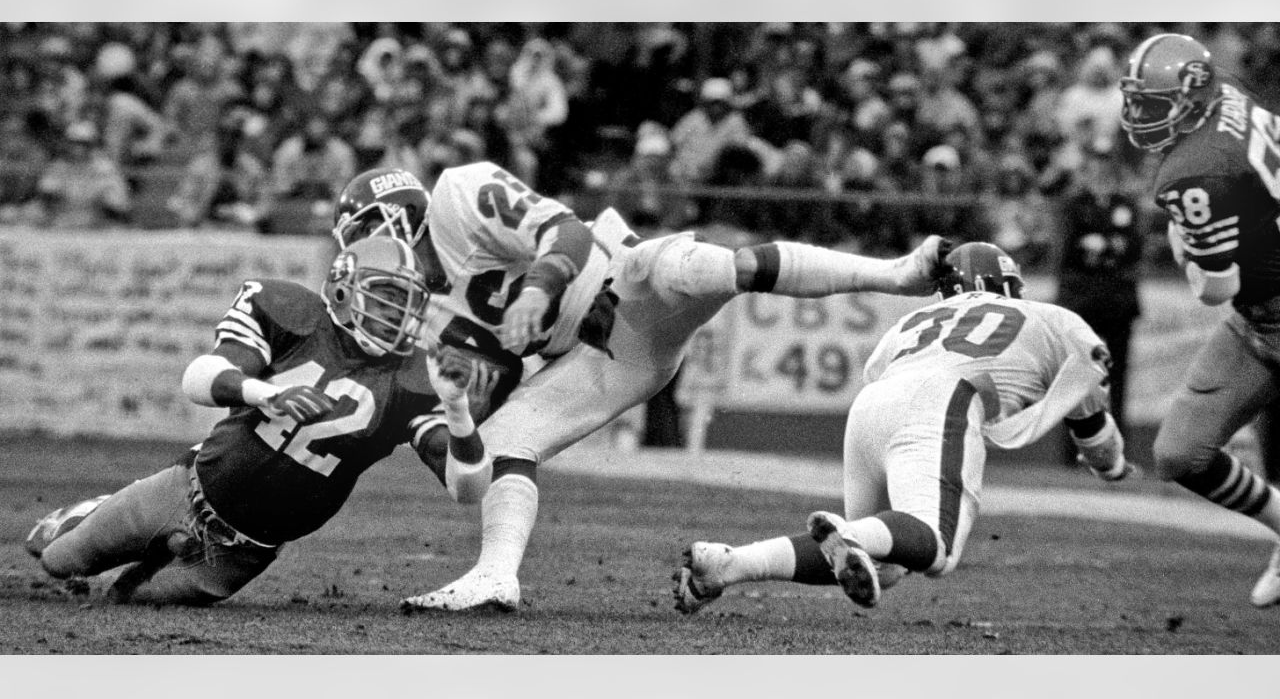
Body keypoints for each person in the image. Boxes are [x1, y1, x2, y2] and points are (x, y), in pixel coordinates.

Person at [334, 159, 952, 612]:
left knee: (682, 264)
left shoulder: (457, 197)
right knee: (505, 438)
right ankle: (496, 576)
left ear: (391, 217)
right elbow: (476, 412)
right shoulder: (424, 317)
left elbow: (568, 234)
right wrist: (458, 411)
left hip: (621, 284)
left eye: (359, 235)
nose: (360, 255)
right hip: (606, 357)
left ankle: (895, 274)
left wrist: (537, 288)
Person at [24, 235, 490, 605]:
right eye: (387, 298)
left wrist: (456, 407)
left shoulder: (413, 379)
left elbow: (467, 488)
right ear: (344, 289)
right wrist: (266, 393)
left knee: (126, 600)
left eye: (408, 304)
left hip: (242, 553)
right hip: (183, 489)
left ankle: (140, 552)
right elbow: (200, 377)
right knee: (60, 561)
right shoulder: (294, 315)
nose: (398, 316)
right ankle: (84, 514)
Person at [673, 242, 1130, 614]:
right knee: (935, 546)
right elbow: (1092, 426)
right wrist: (1112, 468)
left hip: (871, 406)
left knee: (884, 565)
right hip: (943, 400)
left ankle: (727, 566)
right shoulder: (1052, 318)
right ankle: (848, 536)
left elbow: (876, 375)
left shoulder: (913, 320)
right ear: (1007, 283)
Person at [1119, 33, 1280, 608]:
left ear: (1191, 95)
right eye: (1136, 99)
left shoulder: (1196, 171)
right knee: (1180, 454)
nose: (1139, 115)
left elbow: (1215, 288)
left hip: (1258, 304)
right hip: (1260, 315)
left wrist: (1182, 243)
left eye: (1153, 102)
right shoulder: (1226, 92)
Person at [1053, 143, 1143, 442]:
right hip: (1082, 298)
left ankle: (1118, 445)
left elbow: (1134, 248)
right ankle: (1074, 447)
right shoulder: (1074, 204)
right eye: (1096, 162)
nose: (1100, 169)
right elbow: (1067, 251)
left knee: (1117, 375)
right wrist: (1106, 248)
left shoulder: (1125, 204)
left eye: (1106, 162)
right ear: (1086, 166)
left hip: (1118, 298)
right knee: (1077, 374)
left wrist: (1099, 247)